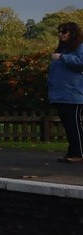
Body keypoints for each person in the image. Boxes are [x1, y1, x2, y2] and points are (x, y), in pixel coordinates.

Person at [49, 22, 83, 164]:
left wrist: (63, 58)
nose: (61, 34)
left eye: (65, 32)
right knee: (69, 126)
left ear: (73, 33)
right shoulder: (63, 49)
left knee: (74, 125)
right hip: (61, 94)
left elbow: (81, 62)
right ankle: (73, 151)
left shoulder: (79, 47)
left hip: (73, 93)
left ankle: (79, 153)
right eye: (60, 31)